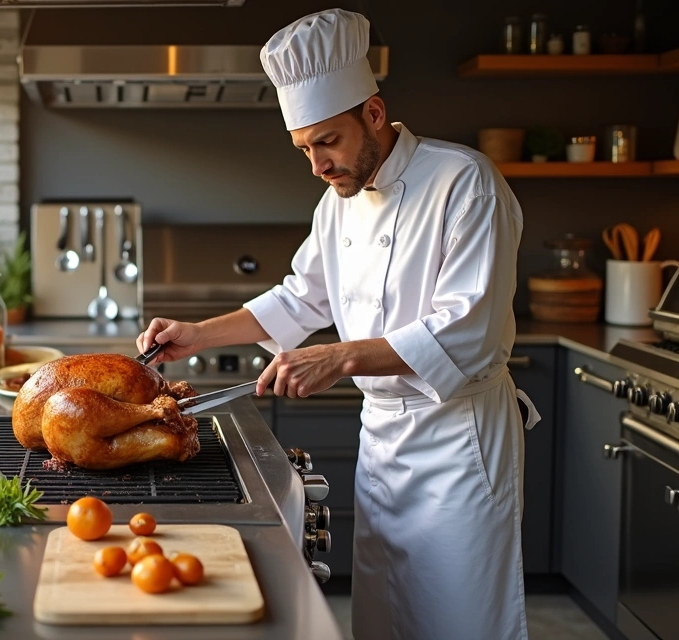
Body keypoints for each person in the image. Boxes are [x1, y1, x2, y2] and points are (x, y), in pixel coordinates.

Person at [136, 8, 540, 640]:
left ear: (373, 114)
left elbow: (468, 332)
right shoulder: (338, 200)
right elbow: (302, 298)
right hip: (383, 443)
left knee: (459, 620)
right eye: (305, 149)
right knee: (384, 616)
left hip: (457, 443)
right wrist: (198, 333)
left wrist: (341, 357)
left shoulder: (465, 184)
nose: (319, 165)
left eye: (329, 141)